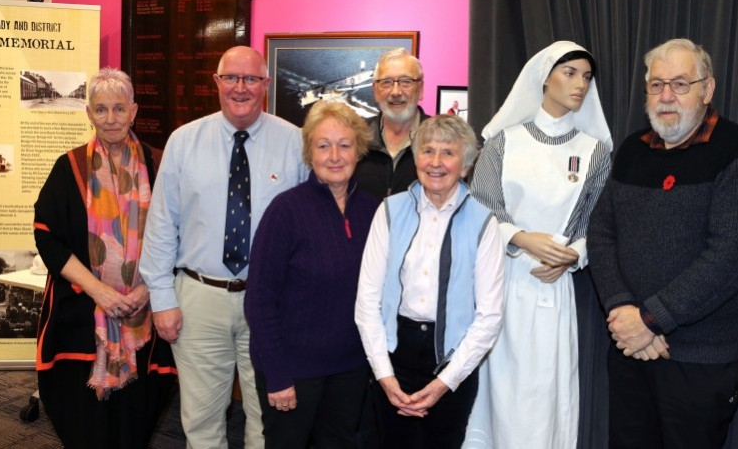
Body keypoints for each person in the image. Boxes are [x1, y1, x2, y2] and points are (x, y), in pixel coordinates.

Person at [587, 38, 738, 448]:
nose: (666, 96)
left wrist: (650, 320)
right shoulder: (633, 151)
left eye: (681, 84)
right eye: (656, 85)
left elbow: (732, 258)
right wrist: (622, 309)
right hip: (631, 351)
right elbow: (600, 233)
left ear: (707, 90)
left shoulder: (737, 151)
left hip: (701, 362)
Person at [140, 46, 307, 448]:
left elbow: (307, 233)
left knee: (267, 415)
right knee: (200, 418)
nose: (240, 88)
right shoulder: (184, 142)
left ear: (265, 85)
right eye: (230, 77)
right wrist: (162, 300)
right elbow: (162, 226)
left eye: (250, 79)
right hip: (199, 299)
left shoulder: (296, 143)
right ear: (215, 82)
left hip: (269, 303)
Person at [464, 41, 612, 449]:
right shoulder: (502, 143)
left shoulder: (594, 152)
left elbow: (598, 225)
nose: (580, 84)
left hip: (553, 289)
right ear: (544, 77)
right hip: (502, 285)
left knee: (547, 394)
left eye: (586, 76)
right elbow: (479, 211)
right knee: (499, 392)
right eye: (570, 73)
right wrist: (523, 239)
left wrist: (571, 256)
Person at [33, 68, 176, 449]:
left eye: (118, 109)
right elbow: (47, 237)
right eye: (101, 109)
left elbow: (181, 234)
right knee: (86, 424)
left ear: (134, 111)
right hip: (83, 314)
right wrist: (101, 292)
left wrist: (146, 290)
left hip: (144, 314)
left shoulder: (159, 165)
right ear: (89, 114)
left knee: (136, 420)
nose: (110, 118)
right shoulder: (70, 168)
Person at [355, 115, 505, 449]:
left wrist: (443, 383)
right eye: (428, 151)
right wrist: (384, 375)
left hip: (452, 360)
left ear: (464, 166)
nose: (436, 162)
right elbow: (367, 301)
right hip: (395, 355)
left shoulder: (484, 222)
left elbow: (490, 315)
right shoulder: (389, 211)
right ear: (416, 157)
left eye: (448, 153)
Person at [244, 101, 379, 448]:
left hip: (350, 369)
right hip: (293, 371)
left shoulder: (372, 211)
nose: (334, 155)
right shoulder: (285, 211)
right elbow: (259, 301)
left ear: (359, 151)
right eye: (323, 145)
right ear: (309, 153)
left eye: (345, 145)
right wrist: (277, 375)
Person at [353, 48, 428, 200]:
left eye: (406, 82)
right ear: (375, 90)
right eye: (386, 83)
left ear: (420, 89)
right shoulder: (355, 138)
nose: (395, 92)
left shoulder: (442, 140)